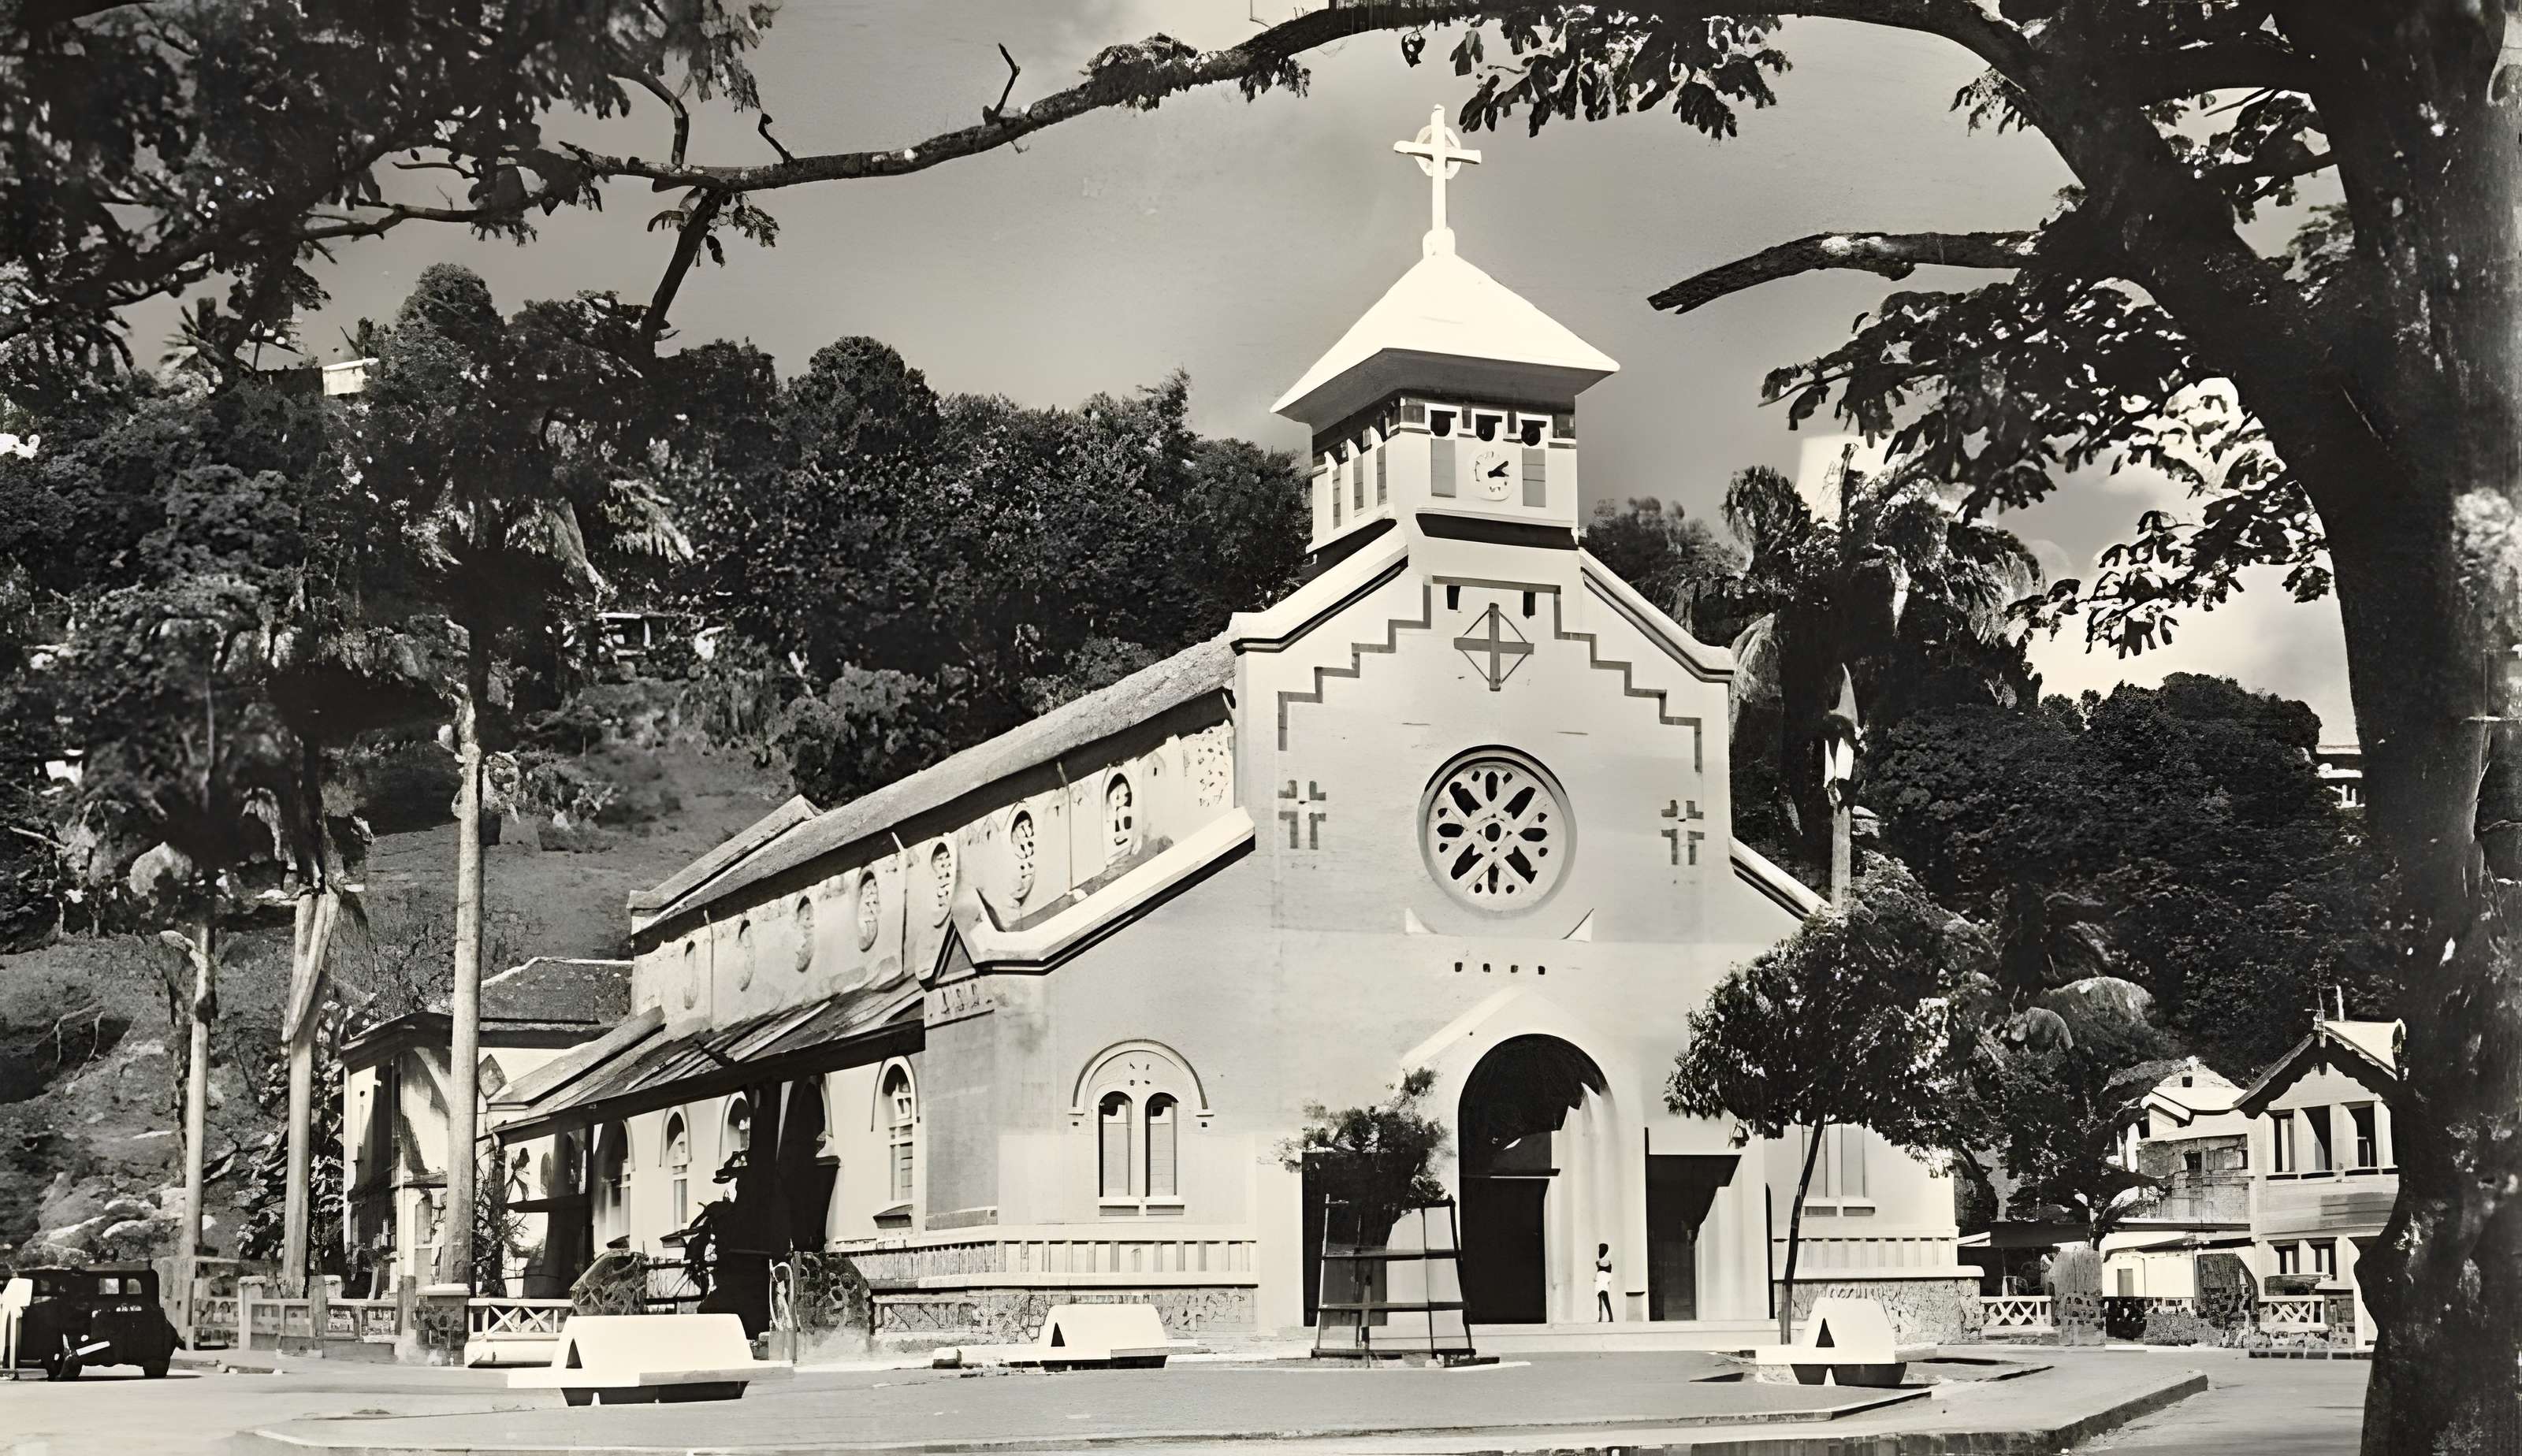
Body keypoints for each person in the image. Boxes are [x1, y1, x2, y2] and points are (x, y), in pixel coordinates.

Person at [1594, 1243, 1616, 1322]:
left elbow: (1600, 1268)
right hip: (1601, 1282)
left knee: (1603, 1300)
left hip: (1602, 1283)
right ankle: (1602, 1317)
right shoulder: (1606, 1261)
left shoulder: (1602, 1261)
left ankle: (1606, 1317)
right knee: (1602, 1300)